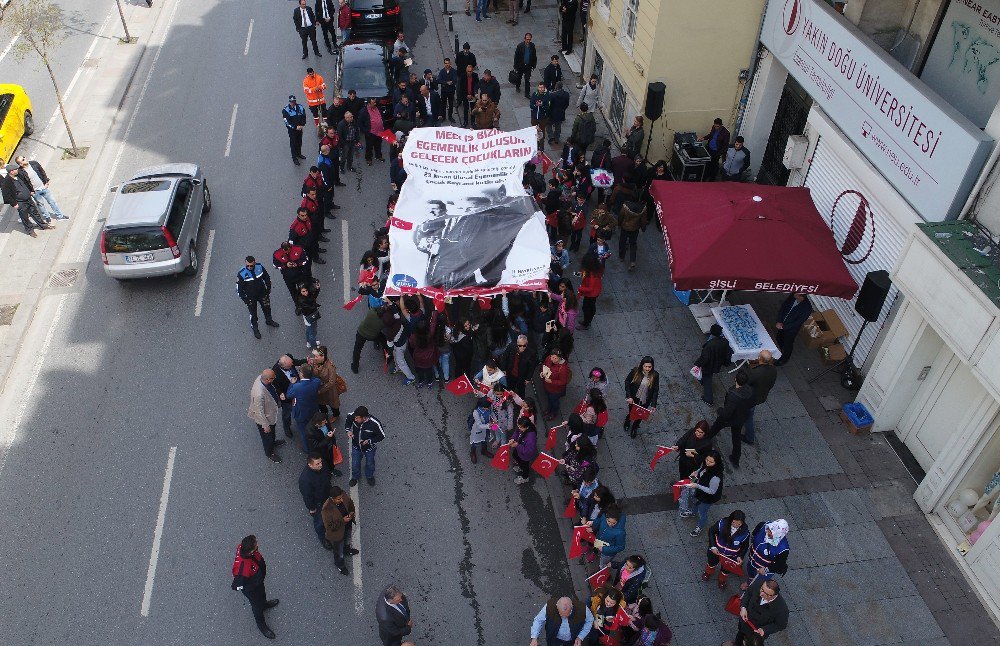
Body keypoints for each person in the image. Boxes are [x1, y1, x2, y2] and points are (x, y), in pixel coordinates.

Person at [231, 535, 279, 639]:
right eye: (256, 543)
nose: (258, 543)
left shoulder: (242, 548)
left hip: (258, 583)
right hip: (253, 589)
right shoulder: (243, 569)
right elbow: (237, 585)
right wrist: (251, 587)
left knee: (262, 595)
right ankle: (262, 625)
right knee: (257, 607)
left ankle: (264, 604)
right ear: (251, 551)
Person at [709, 369, 754, 469]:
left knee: (715, 428)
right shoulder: (749, 390)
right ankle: (735, 459)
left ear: (735, 379)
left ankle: (704, 440)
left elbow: (726, 413)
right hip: (740, 418)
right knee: (736, 438)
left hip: (729, 419)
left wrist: (720, 410)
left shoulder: (733, 396)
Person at [701, 509, 750, 590]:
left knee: (726, 570)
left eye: (739, 524)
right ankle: (708, 573)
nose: (736, 525)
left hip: (731, 556)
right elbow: (711, 532)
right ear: (731, 519)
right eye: (734, 522)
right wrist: (713, 546)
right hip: (716, 551)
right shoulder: (722, 523)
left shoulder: (745, 533)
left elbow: (745, 546)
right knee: (711, 563)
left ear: (742, 523)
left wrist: (740, 556)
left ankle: (722, 580)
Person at [680, 450, 724, 537]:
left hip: (708, 497)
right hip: (700, 491)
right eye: (707, 460)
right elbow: (702, 469)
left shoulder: (716, 477)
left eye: (711, 462)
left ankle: (699, 527)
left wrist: (697, 486)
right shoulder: (706, 465)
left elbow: (712, 491)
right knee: (695, 503)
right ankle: (692, 512)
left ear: (716, 462)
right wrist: (696, 472)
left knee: (702, 512)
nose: (707, 463)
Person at [734, 578, 789, 645]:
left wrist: (764, 629)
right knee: (740, 635)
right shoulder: (759, 584)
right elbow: (748, 593)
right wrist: (743, 607)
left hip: (755, 633)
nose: (760, 594)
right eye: (762, 589)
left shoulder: (782, 609)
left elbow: (781, 625)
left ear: (773, 596)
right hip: (744, 622)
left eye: (765, 593)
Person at [1, 163, 51, 236]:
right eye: (16, 169)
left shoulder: (18, 175)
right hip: (20, 202)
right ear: (11, 171)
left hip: (28, 199)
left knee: (35, 213)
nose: (17, 170)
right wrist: (14, 204)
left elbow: (26, 183)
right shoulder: (6, 182)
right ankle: (30, 230)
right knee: (24, 217)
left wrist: (30, 191)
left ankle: (43, 225)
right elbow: (6, 195)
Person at [236, 256, 279, 340]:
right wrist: (245, 300)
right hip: (250, 297)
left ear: (254, 263)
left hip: (262, 293)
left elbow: (266, 277)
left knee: (267, 308)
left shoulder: (259, 267)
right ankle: (255, 328)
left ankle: (269, 320)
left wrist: (268, 288)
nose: (249, 267)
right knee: (253, 313)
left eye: (251, 266)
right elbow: (239, 289)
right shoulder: (242, 273)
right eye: (247, 265)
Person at [248, 370, 286, 463]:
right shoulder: (259, 394)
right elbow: (259, 411)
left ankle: (273, 442)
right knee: (267, 436)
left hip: (270, 414)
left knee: (271, 433)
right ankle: (269, 453)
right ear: (268, 379)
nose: (274, 379)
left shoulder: (261, 378)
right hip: (265, 419)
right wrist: (265, 425)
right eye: (273, 378)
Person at [321, 485, 358, 575]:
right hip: (337, 533)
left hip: (347, 525)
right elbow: (330, 527)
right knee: (338, 552)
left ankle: (347, 550)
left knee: (347, 540)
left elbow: (350, 503)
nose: (341, 500)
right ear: (332, 499)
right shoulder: (326, 509)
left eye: (341, 498)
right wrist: (343, 520)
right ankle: (340, 565)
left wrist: (352, 512)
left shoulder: (343, 495)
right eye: (338, 499)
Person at [743, 519, 790, 590]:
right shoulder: (763, 525)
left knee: (759, 581)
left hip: (763, 568)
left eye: (771, 532)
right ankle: (749, 581)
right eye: (769, 529)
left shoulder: (783, 549)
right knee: (750, 571)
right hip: (752, 559)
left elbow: (779, 564)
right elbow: (755, 532)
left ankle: (753, 588)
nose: (767, 531)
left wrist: (766, 569)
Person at [693, 324, 733, 405]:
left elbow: (705, 358)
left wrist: (697, 364)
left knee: (708, 380)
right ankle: (702, 381)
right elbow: (728, 354)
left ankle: (708, 399)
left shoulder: (709, 345)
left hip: (709, 366)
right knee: (707, 377)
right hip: (717, 364)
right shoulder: (725, 342)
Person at [345, 405, 386, 487]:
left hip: (369, 448)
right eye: (355, 418)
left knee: (370, 463)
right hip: (356, 446)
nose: (355, 420)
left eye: (357, 418)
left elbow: (382, 436)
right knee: (355, 464)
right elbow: (348, 421)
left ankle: (369, 476)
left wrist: (369, 441)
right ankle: (355, 477)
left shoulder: (375, 424)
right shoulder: (353, 416)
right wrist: (348, 430)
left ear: (364, 418)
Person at [298, 452, 332, 549]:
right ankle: (323, 538)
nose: (321, 464)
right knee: (319, 522)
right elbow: (307, 496)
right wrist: (312, 508)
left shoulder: (323, 465)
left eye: (320, 462)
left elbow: (327, 477)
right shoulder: (305, 480)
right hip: (318, 503)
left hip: (327, 494)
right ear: (310, 465)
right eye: (317, 464)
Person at [529, 596, 594, 646]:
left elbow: (590, 620)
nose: (564, 617)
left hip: (572, 640)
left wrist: (580, 637)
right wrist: (534, 637)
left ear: (572, 607)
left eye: (567, 615)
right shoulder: (549, 606)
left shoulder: (583, 609)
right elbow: (538, 620)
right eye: (561, 615)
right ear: (557, 606)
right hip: (553, 638)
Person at [15, 156, 66, 220]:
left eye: (24, 157)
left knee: (52, 202)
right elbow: (23, 184)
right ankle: (47, 217)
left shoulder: (34, 163)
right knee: (41, 205)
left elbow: (42, 172)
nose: (25, 159)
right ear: (20, 164)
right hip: (35, 191)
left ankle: (60, 216)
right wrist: (30, 192)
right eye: (23, 159)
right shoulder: (20, 172)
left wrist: (46, 182)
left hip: (44, 187)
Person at [744, 350, 777, 445]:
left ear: (759, 358)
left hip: (751, 398)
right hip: (761, 396)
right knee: (749, 414)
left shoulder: (755, 373)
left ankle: (750, 438)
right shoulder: (773, 370)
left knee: (748, 418)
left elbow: (746, 383)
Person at [287, 364, 321, 452]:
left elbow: (289, 395)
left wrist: (292, 383)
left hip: (301, 413)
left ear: (301, 374)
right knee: (314, 427)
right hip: (313, 410)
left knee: (303, 431)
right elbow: (313, 379)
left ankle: (307, 449)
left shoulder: (296, 387)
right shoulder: (316, 382)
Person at [271, 354, 306, 438]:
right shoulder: (275, 373)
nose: (292, 365)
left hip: (297, 388)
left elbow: (296, 362)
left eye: (291, 364)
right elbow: (275, 385)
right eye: (290, 366)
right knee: (287, 413)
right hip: (287, 395)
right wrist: (280, 393)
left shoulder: (289, 359)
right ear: (283, 366)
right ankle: (286, 427)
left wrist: (306, 361)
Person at [624, 356, 659, 438]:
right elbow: (627, 381)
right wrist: (629, 396)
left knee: (640, 415)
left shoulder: (655, 375)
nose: (647, 369)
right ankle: (628, 421)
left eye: (649, 367)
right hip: (634, 397)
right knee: (631, 411)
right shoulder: (636, 371)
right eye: (645, 366)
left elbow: (655, 390)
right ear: (642, 366)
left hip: (645, 400)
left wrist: (653, 404)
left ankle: (634, 427)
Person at [773, 293, 813, 365]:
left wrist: (784, 327)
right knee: (779, 339)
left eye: (796, 293)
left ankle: (784, 359)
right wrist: (779, 320)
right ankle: (776, 353)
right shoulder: (793, 296)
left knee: (788, 344)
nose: (793, 292)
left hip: (791, 329)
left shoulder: (807, 308)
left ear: (801, 296)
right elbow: (783, 307)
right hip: (781, 324)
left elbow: (798, 322)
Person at [616, 196, 647, 272]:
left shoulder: (625, 206)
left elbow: (621, 216)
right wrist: (643, 228)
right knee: (633, 244)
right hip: (635, 229)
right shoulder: (643, 208)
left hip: (625, 227)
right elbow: (643, 221)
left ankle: (621, 257)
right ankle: (632, 261)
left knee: (622, 241)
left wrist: (619, 224)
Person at [541, 347, 572, 421]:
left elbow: (563, 382)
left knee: (554, 401)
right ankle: (549, 408)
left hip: (555, 390)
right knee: (549, 399)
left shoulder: (563, 369)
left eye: (555, 358)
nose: (553, 359)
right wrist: (542, 373)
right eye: (552, 357)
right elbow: (544, 366)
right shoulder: (548, 358)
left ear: (560, 358)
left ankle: (553, 413)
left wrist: (551, 381)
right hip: (547, 386)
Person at [577, 251, 603, 330]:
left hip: (591, 294)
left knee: (586, 308)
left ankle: (586, 324)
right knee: (590, 306)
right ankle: (587, 321)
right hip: (595, 292)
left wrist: (580, 288)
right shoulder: (596, 269)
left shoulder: (592, 275)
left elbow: (590, 288)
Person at [294, 280, 322, 349]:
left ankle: (309, 342)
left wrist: (317, 289)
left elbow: (314, 297)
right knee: (313, 332)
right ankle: (314, 346)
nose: (306, 292)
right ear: (300, 292)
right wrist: (316, 306)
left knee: (309, 330)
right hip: (310, 316)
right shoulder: (301, 300)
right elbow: (310, 308)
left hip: (308, 316)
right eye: (303, 291)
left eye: (306, 290)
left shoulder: (305, 296)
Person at [509, 416, 538, 485]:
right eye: (518, 426)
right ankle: (520, 466)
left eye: (520, 427)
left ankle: (525, 478)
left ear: (527, 427)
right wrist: (513, 438)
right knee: (515, 455)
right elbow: (516, 432)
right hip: (519, 449)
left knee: (524, 466)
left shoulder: (531, 437)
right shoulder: (522, 427)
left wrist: (517, 445)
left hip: (525, 456)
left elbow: (529, 451)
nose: (519, 428)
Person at [359, 98, 387, 165]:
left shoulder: (378, 108)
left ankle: (378, 156)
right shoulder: (364, 111)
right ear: (368, 104)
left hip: (379, 131)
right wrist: (366, 131)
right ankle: (368, 158)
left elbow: (382, 117)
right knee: (369, 146)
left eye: (375, 102)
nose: (375, 104)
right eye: (373, 103)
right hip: (370, 132)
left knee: (378, 145)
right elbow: (360, 122)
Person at [469, 397, 495, 463]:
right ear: (482, 406)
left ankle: (484, 451)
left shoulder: (488, 407)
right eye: (487, 407)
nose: (488, 408)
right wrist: (488, 426)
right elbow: (479, 425)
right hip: (478, 429)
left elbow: (491, 414)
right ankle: (472, 452)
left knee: (485, 439)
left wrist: (494, 419)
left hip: (487, 428)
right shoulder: (476, 413)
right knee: (475, 441)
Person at [513, 33, 538, 99]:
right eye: (527, 39)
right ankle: (517, 86)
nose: (528, 41)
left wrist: (534, 65)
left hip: (528, 66)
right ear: (524, 39)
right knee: (519, 77)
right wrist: (515, 66)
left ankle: (527, 93)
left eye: (529, 39)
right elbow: (516, 56)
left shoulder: (532, 46)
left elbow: (534, 56)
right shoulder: (520, 46)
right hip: (520, 66)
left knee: (527, 80)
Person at [547, 81, 570, 146]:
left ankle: (551, 137)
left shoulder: (552, 95)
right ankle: (557, 138)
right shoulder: (566, 94)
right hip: (561, 113)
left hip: (552, 114)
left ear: (556, 86)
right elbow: (567, 104)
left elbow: (549, 106)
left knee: (548, 124)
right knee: (558, 126)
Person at [437, 57, 458, 122]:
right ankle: (443, 116)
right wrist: (446, 82)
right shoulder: (442, 71)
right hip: (444, 91)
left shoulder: (454, 71)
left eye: (448, 63)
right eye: (446, 63)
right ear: (444, 64)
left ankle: (450, 116)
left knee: (451, 104)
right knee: (443, 104)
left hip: (451, 91)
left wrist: (450, 82)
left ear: (450, 63)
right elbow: (439, 80)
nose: (447, 64)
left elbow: (455, 80)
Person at [459, 63, 480, 128]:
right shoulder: (462, 76)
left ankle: (473, 122)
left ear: (472, 71)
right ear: (466, 70)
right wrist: (467, 95)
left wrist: (473, 94)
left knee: (473, 108)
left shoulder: (475, 76)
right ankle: (465, 121)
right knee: (466, 108)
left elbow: (477, 85)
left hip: (473, 95)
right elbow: (461, 87)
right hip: (465, 96)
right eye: (468, 71)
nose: (469, 73)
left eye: (470, 71)